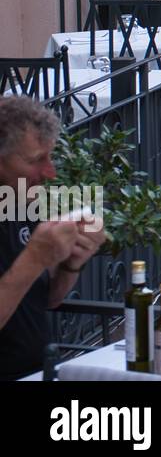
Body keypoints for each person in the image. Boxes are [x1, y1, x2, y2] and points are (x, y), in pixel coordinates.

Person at [0, 97, 107, 381]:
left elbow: (48, 299)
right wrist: (34, 257)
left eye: (50, 157)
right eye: (36, 160)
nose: (50, 172)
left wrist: (73, 260)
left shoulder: (18, 201)